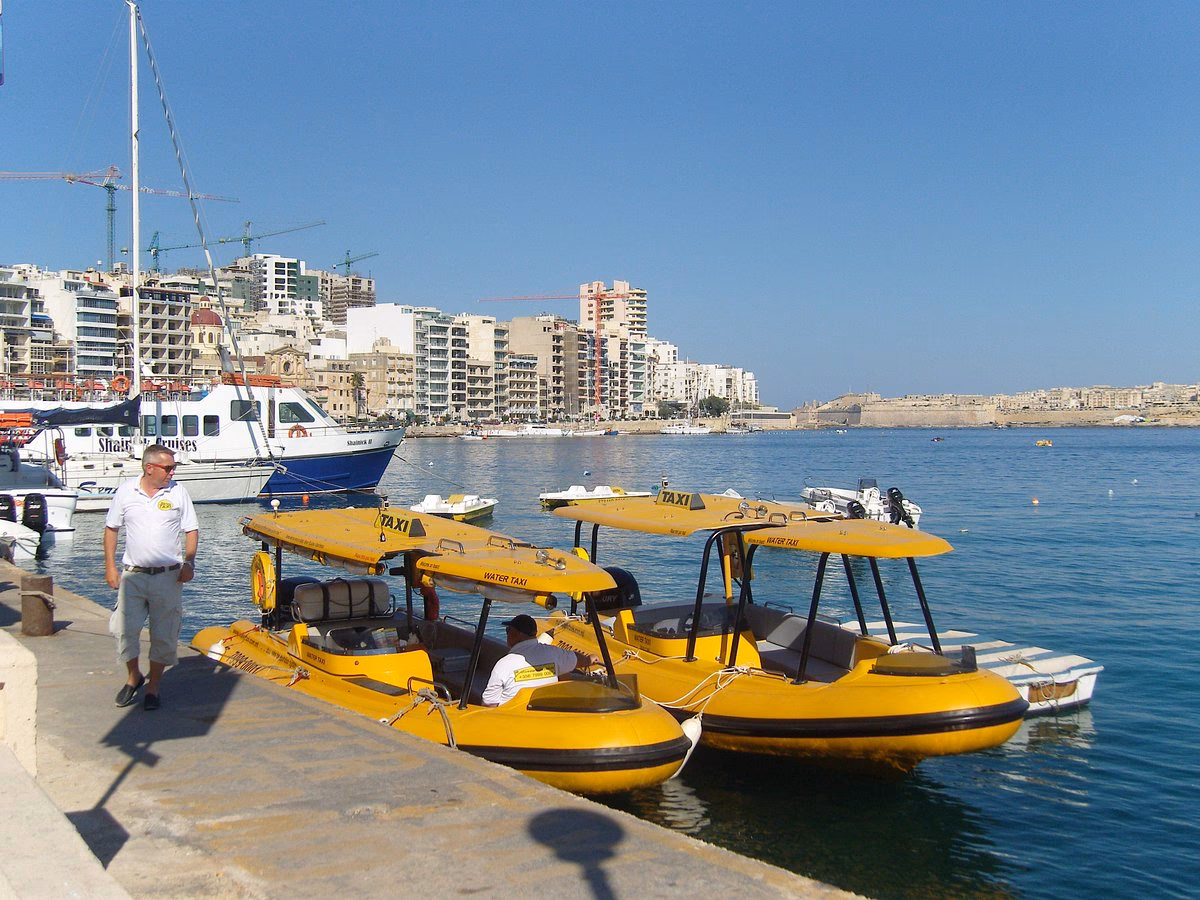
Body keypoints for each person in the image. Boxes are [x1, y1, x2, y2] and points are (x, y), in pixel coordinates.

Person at [104, 444, 199, 711]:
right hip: (133, 576)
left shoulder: (178, 492)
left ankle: (153, 688)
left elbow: (191, 530)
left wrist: (189, 562)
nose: (172, 473)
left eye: (173, 468)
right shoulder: (126, 492)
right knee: (124, 630)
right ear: (149, 468)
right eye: (168, 468)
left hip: (168, 577)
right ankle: (134, 675)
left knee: (163, 634)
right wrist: (110, 567)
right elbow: (111, 529)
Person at [481, 614, 601, 706]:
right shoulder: (553, 653)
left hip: (515, 723)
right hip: (546, 717)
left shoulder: (503, 665)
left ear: (514, 635)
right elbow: (576, 659)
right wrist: (589, 659)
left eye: (508, 631)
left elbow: (489, 703)